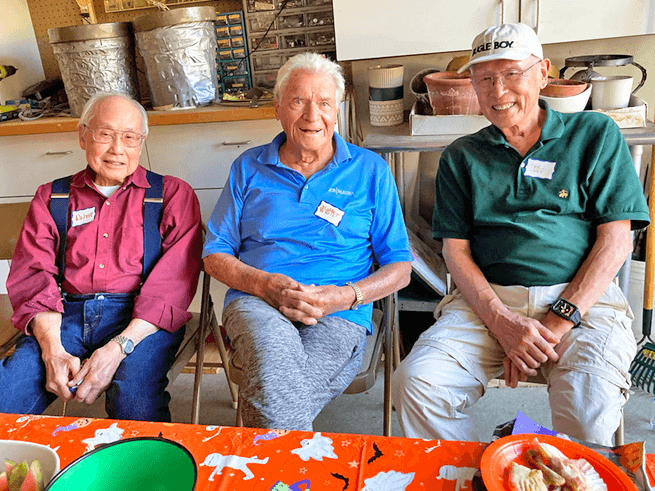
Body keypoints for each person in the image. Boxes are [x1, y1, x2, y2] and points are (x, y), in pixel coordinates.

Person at [392, 23, 650, 445]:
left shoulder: (595, 135)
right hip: (488, 303)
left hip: (582, 303)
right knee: (417, 384)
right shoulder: (462, 155)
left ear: (542, 72)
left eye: (512, 73)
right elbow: (456, 254)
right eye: (485, 78)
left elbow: (617, 240)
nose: (498, 91)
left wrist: (555, 321)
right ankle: (479, 474)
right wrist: (504, 323)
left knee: (587, 407)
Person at [203, 52, 412, 431]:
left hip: (339, 311)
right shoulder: (248, 167)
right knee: (271, 365)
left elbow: (400, 266)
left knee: (273, 390)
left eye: (324, 103)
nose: (312, 115)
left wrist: (343, 296)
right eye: (298, 101)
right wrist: (263, 284)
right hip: (256, 302)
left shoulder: (370, 171)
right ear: (278, 108)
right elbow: (215, 252)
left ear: (338, 111)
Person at [0, 92, 203, 422]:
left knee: (133, 401)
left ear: (142, 141)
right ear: (83, 135)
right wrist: (52, 350)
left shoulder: (171, 194)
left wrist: (118, 348)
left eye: (129, 137)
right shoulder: (52, 196)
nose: (117, 149)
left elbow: (174, 283)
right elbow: (34, 273)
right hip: (63, 314)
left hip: (140, 318)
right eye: (105, 134)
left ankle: (140, 471)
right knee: (8, 395)